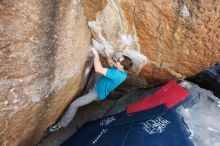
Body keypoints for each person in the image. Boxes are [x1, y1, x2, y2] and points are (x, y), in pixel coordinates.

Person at [48, 47, 133, 133]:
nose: (117, 60)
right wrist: (108, 55)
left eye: (118, 60)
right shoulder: (122, 71)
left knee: (74, 105)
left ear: (122, 66)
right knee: (98, 66)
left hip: (97, 93)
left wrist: (96, 55)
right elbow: (112, 64)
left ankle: (61, 124)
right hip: (100, 82)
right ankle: (88, 89)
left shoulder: (118, 75)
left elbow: (98, 69)